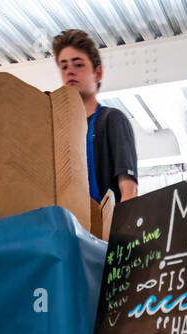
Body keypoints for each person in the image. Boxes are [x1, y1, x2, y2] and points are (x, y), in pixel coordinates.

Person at [53, 29, 139, 205]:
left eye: (78, 64)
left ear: (97, 73)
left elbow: (129, 192)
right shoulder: (61, 134)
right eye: (64, 66)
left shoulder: (112, 120)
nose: (70, 71)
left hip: (108, 228)